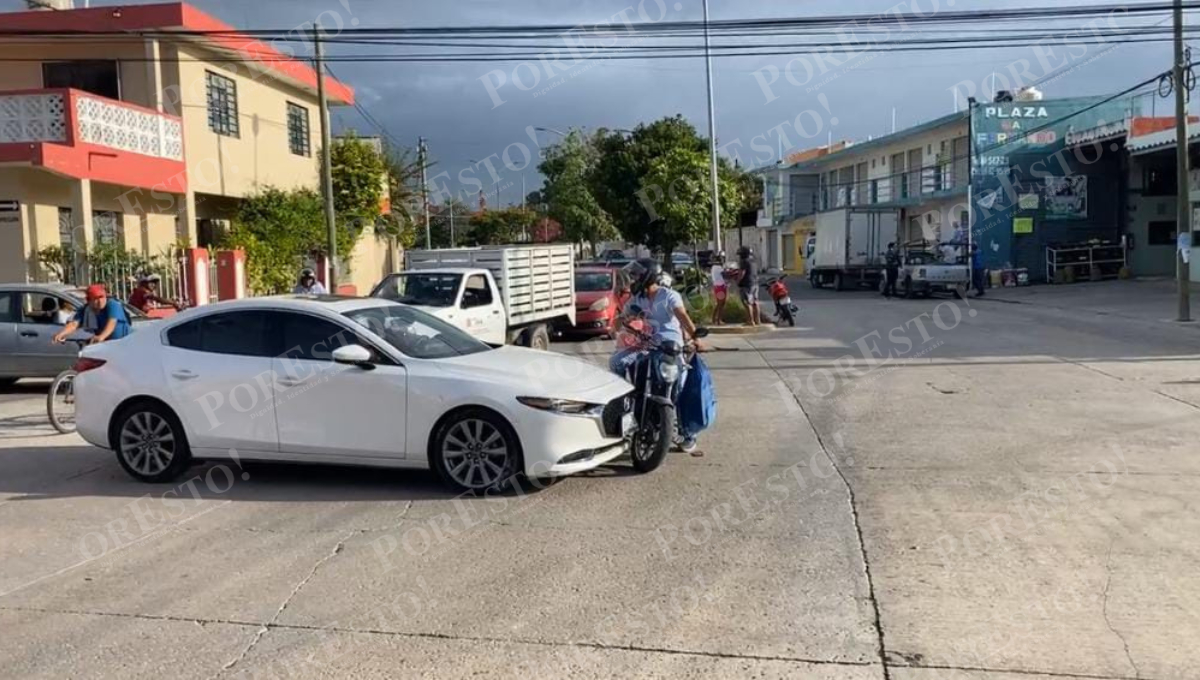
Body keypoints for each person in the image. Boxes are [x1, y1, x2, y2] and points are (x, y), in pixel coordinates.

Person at [610, 258, 704, 453]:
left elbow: (683, 317)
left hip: (670, 346)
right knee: (616, 362)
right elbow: (617, 325)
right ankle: (624, 403)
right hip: (645, 343)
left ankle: (685, 431)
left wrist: (696, 337)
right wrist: (624, 319)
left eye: (636, 276)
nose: (633, 279)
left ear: (648, 276)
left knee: (679, 383)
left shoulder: (669, 295)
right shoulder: (637, 300)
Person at [53, 284, 130, 345]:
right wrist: (61, 334)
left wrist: (101, 337)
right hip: (103, 345)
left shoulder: (112, 304)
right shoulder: (86, 309)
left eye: (102, 297)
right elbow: (74, 324)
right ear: (89, 300)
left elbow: (112, 322)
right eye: (96, 299)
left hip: (122, 344)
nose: (100, 301)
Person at [736, 246, 761, 327]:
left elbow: (742, 273)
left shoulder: (744, 262)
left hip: (746, 284)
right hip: (755, 283)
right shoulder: (754, 261)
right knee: (755, 302)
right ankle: (758, 320)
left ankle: (750, 321)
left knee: (747, 303)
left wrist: (738, 281)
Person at [709, 251, 728, 326]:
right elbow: (725, 275)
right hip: (720, 287)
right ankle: (718, 320)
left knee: (720, 303)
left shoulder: (714, 267)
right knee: (720, 304)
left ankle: (714, 319)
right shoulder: (718, 267)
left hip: (718, 286)